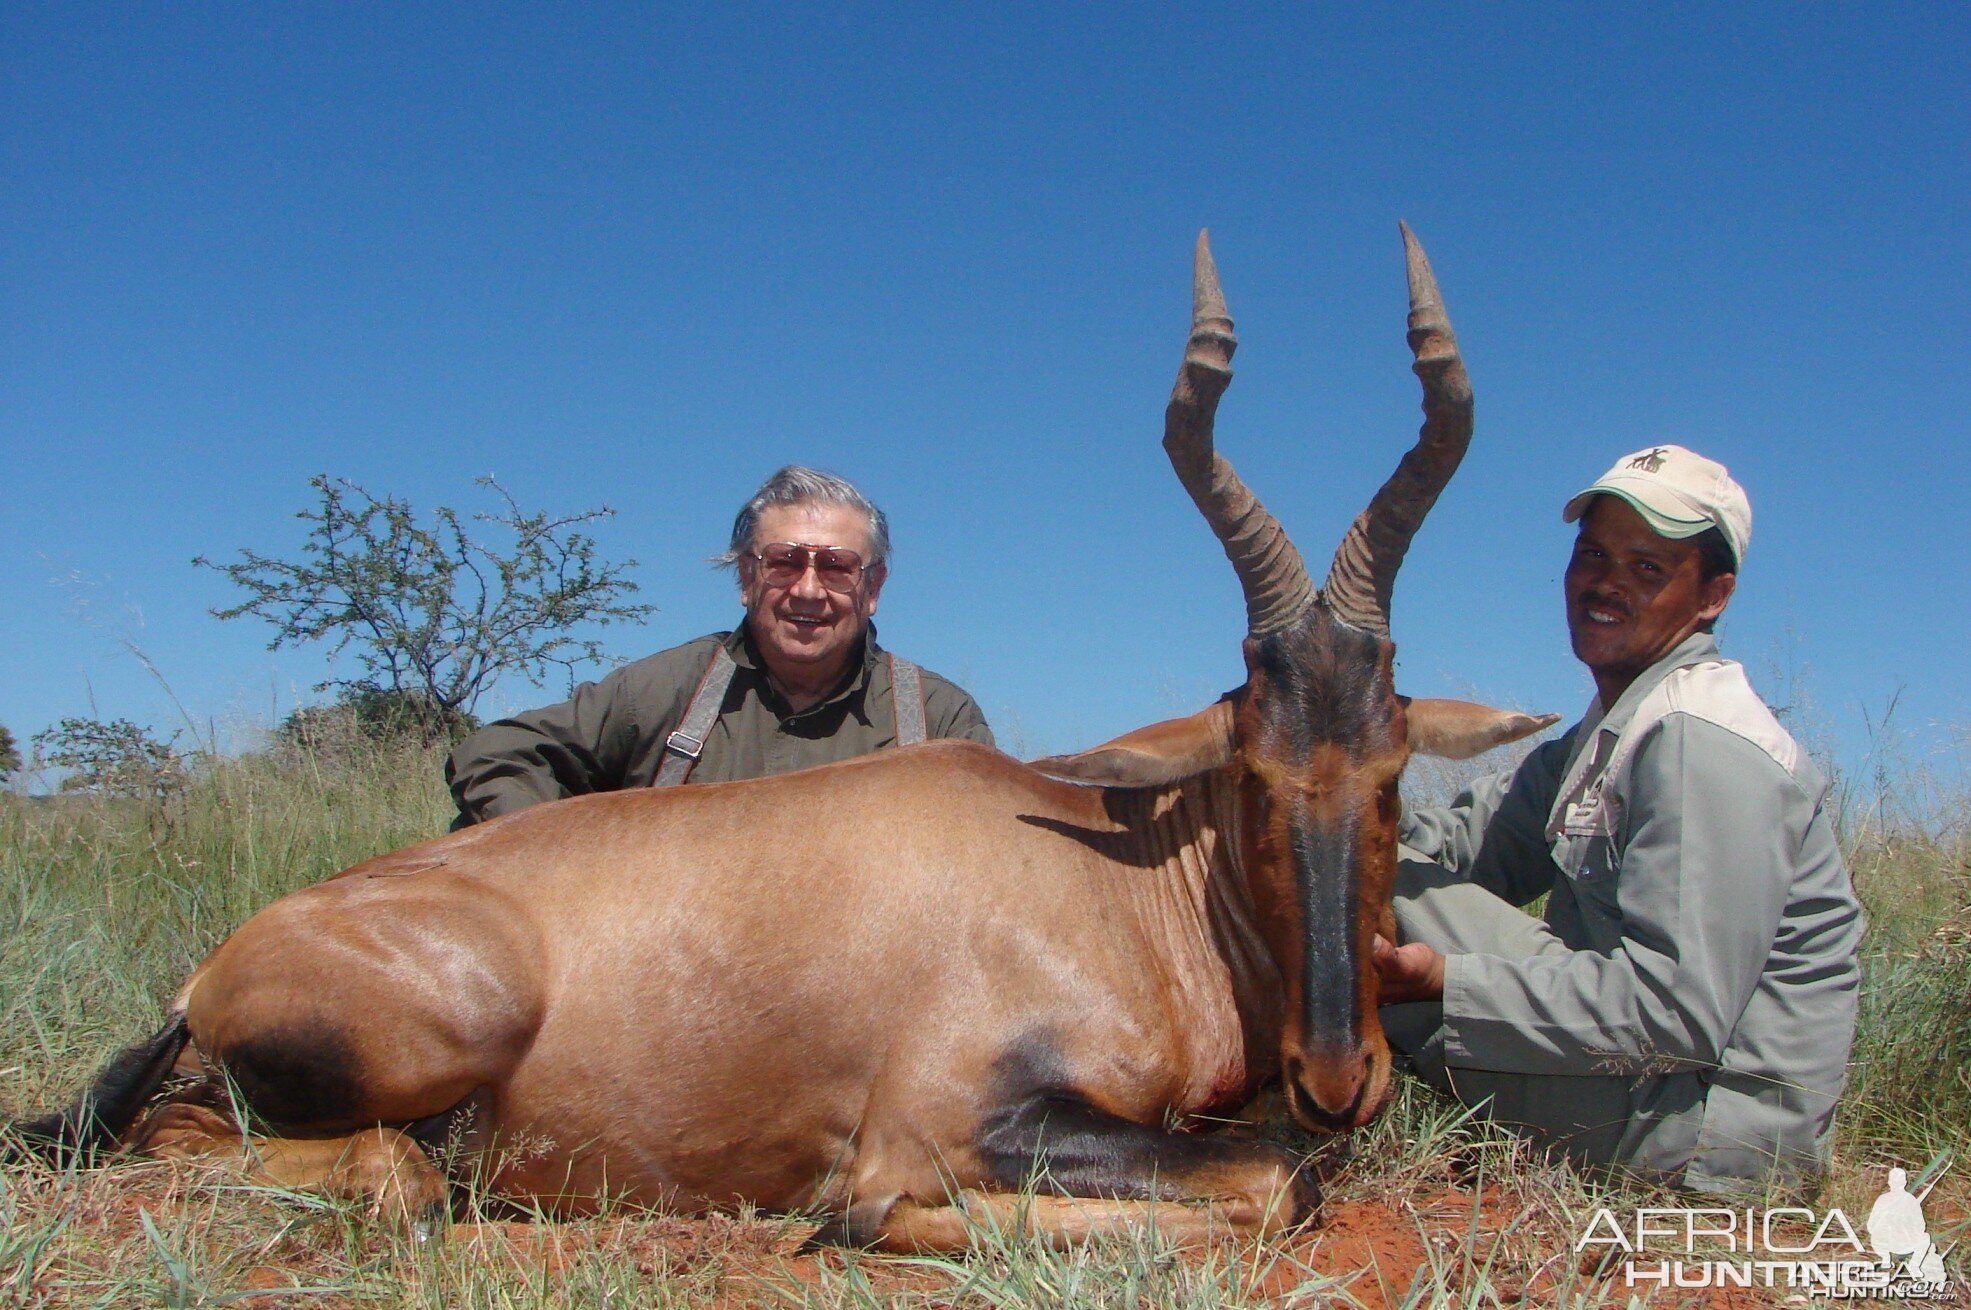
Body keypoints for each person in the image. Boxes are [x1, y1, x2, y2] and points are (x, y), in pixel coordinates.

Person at [1373, 444, 1864, 1196]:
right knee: (1356, 862)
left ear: (1712, 596)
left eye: (1646, 568)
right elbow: (1466, 844)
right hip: (1653, 1093)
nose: (1604, 584)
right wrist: (1339, 797)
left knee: (1383, 899)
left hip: (1708, 1135)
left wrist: (1445, 981)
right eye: (1593, 554)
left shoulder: (1698, 740)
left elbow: (1674, 1015)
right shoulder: (1610, 730)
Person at [447, 466, 994, 825]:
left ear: (872, 588)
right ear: (744, 578)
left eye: (835, 567)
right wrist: (565, 865)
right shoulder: (665, 689)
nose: (807, 589)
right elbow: (496, 753)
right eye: (783, 562)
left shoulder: (939, 719)